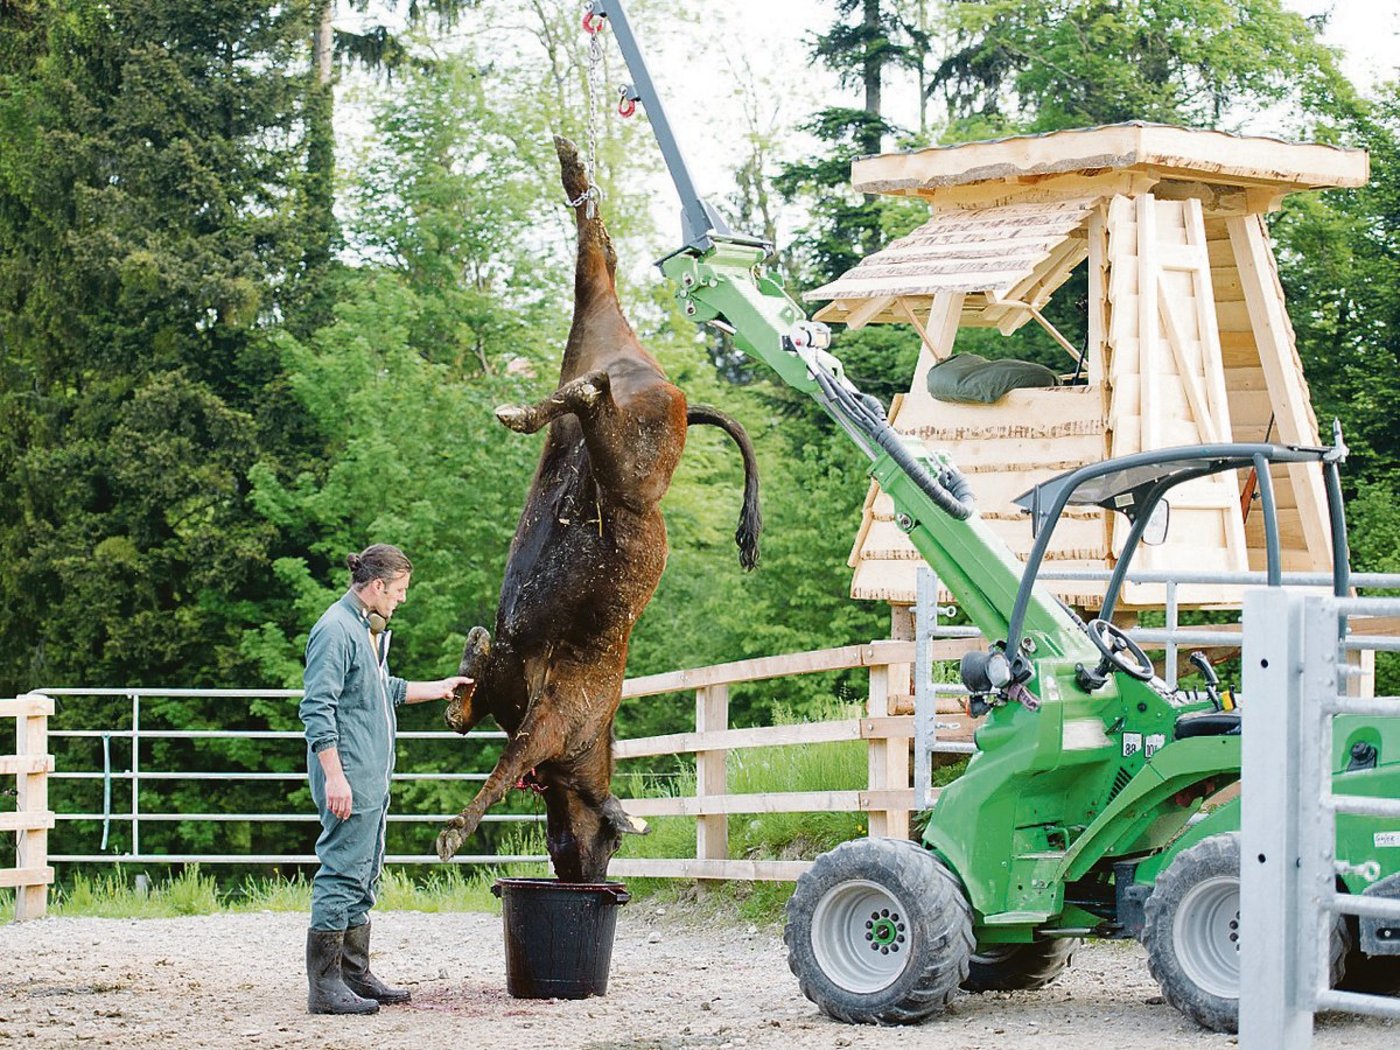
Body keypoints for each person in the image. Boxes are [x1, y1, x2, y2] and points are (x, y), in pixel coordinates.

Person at [298, 543, 471, 1015]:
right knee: (342, 869)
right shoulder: (335, 630)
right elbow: (316, 709)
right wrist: (335, 777)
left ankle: (354, 973)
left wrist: (439, 688)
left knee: (365, 870)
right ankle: (325, 985)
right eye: (398, 590)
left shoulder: (364, 629)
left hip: (370, 772)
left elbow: (380, 689)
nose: (402, 599)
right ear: (377, 585)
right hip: (349, 773)